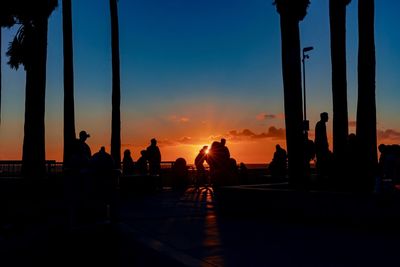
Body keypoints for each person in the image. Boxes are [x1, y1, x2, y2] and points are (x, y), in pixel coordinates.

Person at [314, 112, 331, 178]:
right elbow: (322, 136)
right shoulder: (321, 124)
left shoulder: (320, 124)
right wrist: (325, 144)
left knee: (321, 159)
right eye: (327, 116)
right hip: (321, 145)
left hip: (320, 145)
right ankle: (321, 173)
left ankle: (321, 173)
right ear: (324, 117)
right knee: (322, 159)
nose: (328, 118)